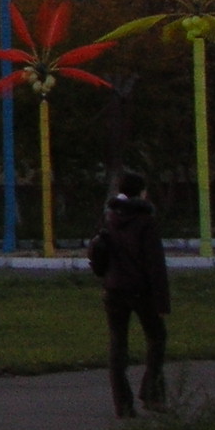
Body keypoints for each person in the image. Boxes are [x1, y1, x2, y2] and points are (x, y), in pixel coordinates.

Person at [88, 172, 171, 417]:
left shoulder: (109, 217)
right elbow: (155, 264)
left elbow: (98, 248)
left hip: (113, 289)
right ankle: (151, 392)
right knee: (157, 339)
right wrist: (162, 301)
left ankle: (123, 406)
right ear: (141, 192)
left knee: (118, 347)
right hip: (141, 290)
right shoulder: (145, 221)